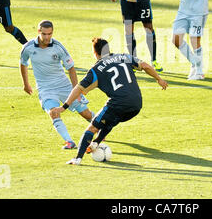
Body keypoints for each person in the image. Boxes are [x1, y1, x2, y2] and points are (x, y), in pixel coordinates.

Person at [51, 37, 168, 165]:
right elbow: (145, 65)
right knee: (112, 120)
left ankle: (77, 158)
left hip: (118, 102)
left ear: (95, 53)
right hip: (137, 103)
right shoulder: (125, 57)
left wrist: (64, 107)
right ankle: (96, 143)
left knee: (92, 127)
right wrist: (159, 79)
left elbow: (78, 89)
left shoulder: (95, 70)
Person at [20, 20, 95, 149]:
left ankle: (101, 127)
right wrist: (26, 84)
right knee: (53, 112)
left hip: (64, 86)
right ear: (39, 32)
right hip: (46, 89)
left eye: (50, 34)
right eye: (44, 34)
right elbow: (23, 63)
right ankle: (69, 142)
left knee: (86, 114)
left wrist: (76, 89)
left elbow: (71, 68)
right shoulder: (28, 48)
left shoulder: (58, 47)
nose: (47, 37)